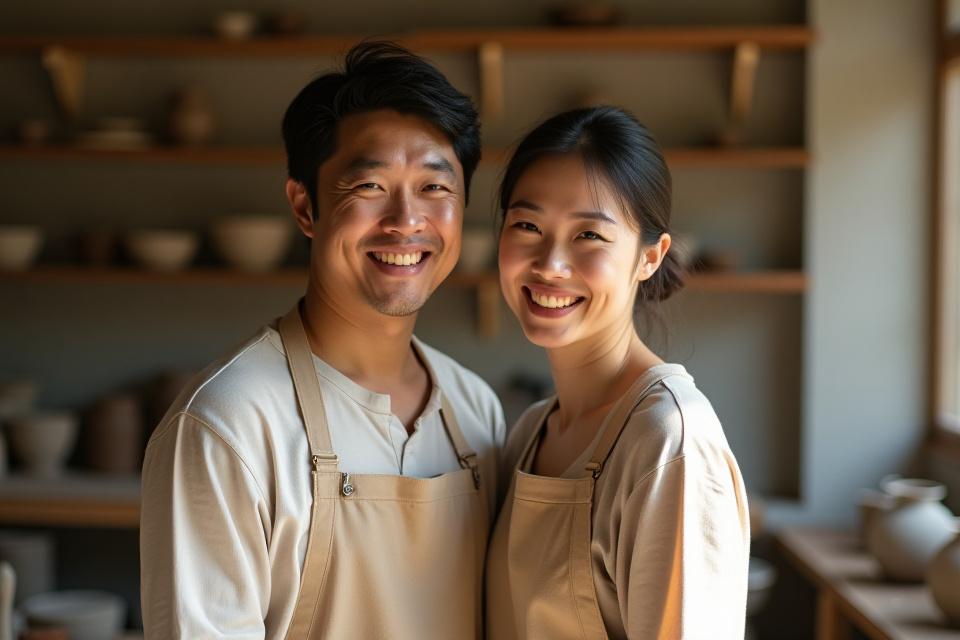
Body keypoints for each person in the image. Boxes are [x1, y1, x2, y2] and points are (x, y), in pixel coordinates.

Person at [140, 42, 505, 639]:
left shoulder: (478, 413)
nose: (406, 221)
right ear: (305, 206)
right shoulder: (226, 424)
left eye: (435, 188)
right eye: (369, 187)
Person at [485, 106, 750, 639]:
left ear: (650, 256)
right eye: (528, 225)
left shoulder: (669, 442)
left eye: (589, 236)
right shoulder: (532, 431)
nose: (550, 264)